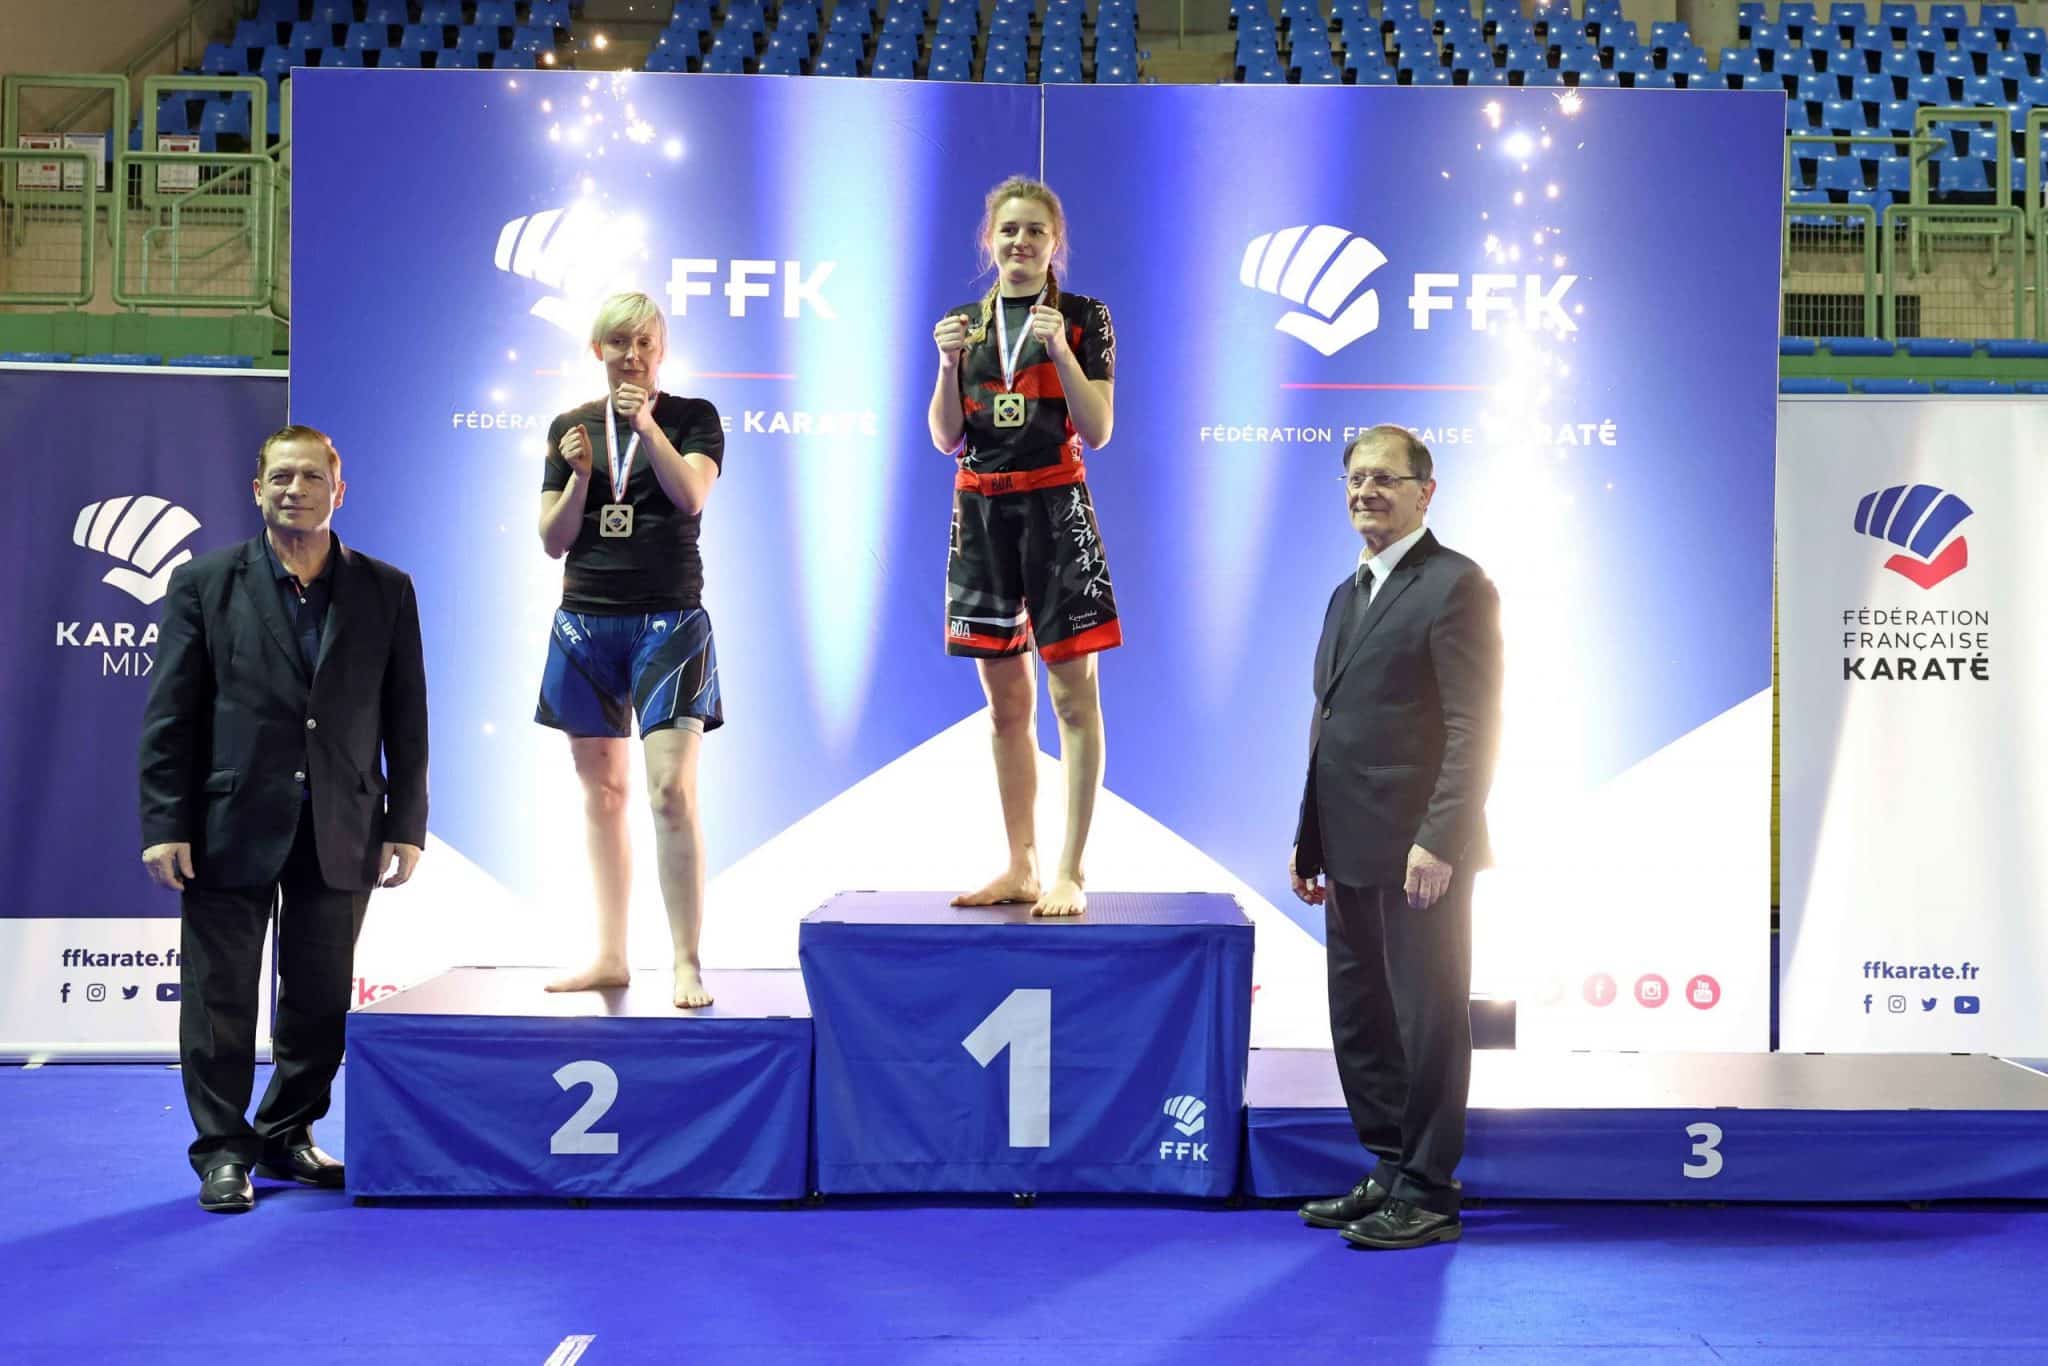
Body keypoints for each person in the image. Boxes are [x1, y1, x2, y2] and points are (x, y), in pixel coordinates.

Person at [138, 424, 429, 1214]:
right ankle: (222, 1153)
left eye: (309, 477)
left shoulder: (386, 588)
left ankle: (286, 1132)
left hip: (342, 823)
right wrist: (164, 822)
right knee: (220, 1000)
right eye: (280, 478)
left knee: (320, 999)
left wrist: (406, 821)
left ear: (339, 491)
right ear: (257, 490)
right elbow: (171, 714)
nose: (294, 490)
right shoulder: (203, 582)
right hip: (228, 822)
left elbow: (406, 715)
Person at [1289, 425, 1503, 1251]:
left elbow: (1476, 725)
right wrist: (1307, 837)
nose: (1366, 492)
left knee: (1427, 1020)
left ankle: (1429, 1190)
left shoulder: (1456, 585)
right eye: (1355, 479)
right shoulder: (1346, 593)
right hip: (1346, 845)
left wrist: (1441, 838)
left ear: (1425, 492)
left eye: (1385, 478)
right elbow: (1329, 722)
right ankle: (1388, 1167)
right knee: (1363, 1020)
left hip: (1420, 854)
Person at [928, 176, 1120, 919]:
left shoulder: (1084, 317)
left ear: (1054, 241)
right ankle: (1021, 865)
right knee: (1007, 706)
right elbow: (946, 437)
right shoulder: (962, 324)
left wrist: (1059, 352)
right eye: (1009, 229)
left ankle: (1071, 870)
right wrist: (947, 367)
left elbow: (1098, 429)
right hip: (981, 513)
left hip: (1056, 508)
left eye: (1036, 230)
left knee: (1073, 698)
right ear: (991, 239)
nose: (1021, 241)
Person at [536, 290, 726, 1008]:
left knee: (670, 791)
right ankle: (610, 956)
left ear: (661, 349)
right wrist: (582, 477)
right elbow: (553, 539)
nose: (633, 355)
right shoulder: (569, 428)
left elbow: (691, 496)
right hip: (587, 620)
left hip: (669, 619)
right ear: (599, 350)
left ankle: (685, 961)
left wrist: (645, 426)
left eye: (645, 342)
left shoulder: (692, 417)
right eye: (620, 343)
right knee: (604, 794)